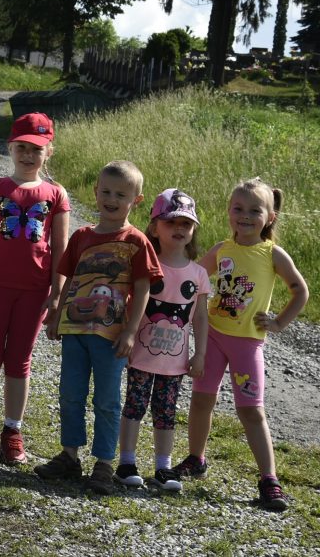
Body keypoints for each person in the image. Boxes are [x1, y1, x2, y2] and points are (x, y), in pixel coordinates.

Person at [173, 178, 308, 511]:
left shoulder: (272, 253)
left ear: (270, 217)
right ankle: (196, 458)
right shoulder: (222, 249)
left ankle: (269, 480)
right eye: (238, 209)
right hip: (213, 337)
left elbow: (299, 290)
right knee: (201, 399)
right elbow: (194, 276)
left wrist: (279, 323)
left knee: (251, 410)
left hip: (247, 344)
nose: (245, 216)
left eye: (254, 211)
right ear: (229, 212)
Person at [35, 160, 161, 495]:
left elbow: (143, 289)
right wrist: (56, 312)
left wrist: (130, 331)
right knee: (70, 394)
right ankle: (69, 455)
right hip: (75, 332)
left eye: (120, 194)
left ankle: (104, 463)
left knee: (107, 400)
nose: (111, 199)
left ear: (136, 200)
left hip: (110, 336)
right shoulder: (82, 236)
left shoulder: (136, 242)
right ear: (95, 192)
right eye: (106, 191)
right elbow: (68, 277)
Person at [0, 113, 71, 464]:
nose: (28, 155)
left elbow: (61, 249)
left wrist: (57, 293)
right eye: (22, 147)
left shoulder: (56, 194)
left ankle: (12, 430)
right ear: (9, 148)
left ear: (49, 152)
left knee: (20, 359)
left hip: (34, 292)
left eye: (36, 149)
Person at [114, 189, 210, 492]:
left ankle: (163, 467)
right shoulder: (145, 264)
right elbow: (128, 302)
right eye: (171, 222)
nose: (179, 229)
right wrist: (125, 334)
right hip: (142, 356)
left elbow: (200, 317)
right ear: (155, 228)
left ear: (193, 230)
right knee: (134, 406)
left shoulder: (198, 274)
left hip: (175, 362)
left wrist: (200, 354)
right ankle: (126, 463)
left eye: (186, 224)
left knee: (166, 413)